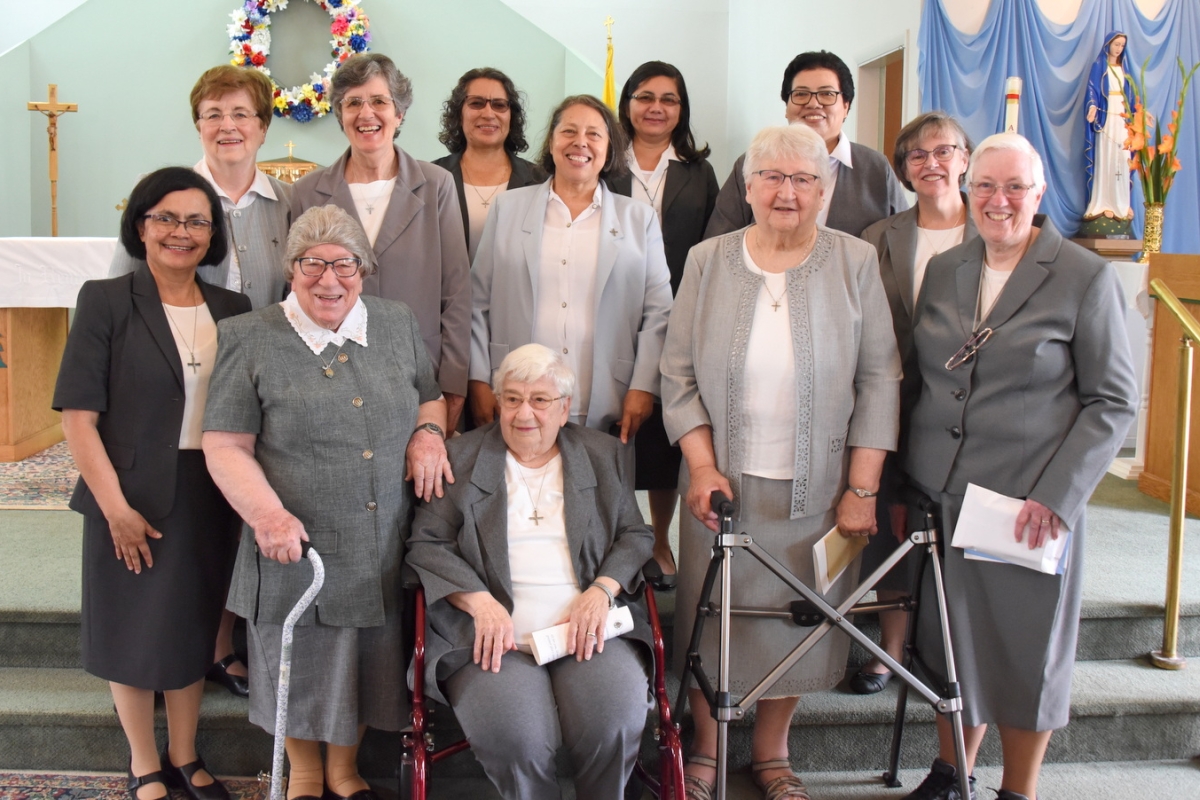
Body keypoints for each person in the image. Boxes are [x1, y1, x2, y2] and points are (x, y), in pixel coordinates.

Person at [661, 124, 901, 800]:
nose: (786, 192)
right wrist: (703, 469)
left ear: (825, 190)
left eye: (803, 179)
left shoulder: (854, 261)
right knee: (714, 618)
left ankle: (771, 753)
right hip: (720, 486)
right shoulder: (708, 260)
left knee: (799, 620)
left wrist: (862, 486)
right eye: (772, 177)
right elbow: (676, 376)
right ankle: (707, 750)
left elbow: (881, 378)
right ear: (748, 186)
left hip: (820, 488)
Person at [901, 132, 1137, 800]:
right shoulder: (948, 268)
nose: (997, 201)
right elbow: (928, 376)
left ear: (1038, 196)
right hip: (944, 491)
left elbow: (1113, 402)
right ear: (967, 191)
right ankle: (953, 773)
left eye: (1014, 188)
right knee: (954, 644)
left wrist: (1058, 497)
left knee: (1025, 649)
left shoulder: (1083, 276)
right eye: (984, 186)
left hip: (1028, 501)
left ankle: (1019, 789)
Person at [201, 205, 450, 800]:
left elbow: (431, 398)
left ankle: (345, 769)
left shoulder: (393, 322)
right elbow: (225, 445)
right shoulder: (249, 336)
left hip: (381, 537)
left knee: (366, 659)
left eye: (345, 264)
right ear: (291, 269)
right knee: (304, 656)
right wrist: (267, 515)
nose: (329, 280)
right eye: (312, 264)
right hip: (295, 539)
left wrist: (428, 434)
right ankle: (305, 773)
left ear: (364, 269)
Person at [54, 167, 251, 800]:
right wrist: (114, 508)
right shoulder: (105, 300)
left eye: (197, 221)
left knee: (192, 624)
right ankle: (144, 763)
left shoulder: (235, 310)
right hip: (129, 493)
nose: (180, 232)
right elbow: (79, 420)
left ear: (212, 235)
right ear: (141, 225)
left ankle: (187, 756)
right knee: (132, 628)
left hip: (210, 494)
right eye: (165, 218)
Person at [108, 65, 293, 697]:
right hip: (175, 393)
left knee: (236, 518)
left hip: (259, 390)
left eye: (241, 114)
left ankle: (222, 644)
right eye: (214, 114)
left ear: (263, 127)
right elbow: (121, 297)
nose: (228, 127)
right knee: (184, 521)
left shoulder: (285, 205)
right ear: (198, 125)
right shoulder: (169, 199)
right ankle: (170, 645)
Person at [407, 343, 655, 800]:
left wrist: (601, 590)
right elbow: (426, 544)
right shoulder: (461, 460)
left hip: (587, 630)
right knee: (517, 740)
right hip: (494, 637)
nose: (525, 413)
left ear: (564, 409)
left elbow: (636, 535)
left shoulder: (602, 455)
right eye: (513, 398)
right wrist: (479, 602)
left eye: (540, 400)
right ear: (499, 403)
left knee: (612, 724)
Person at [468, 94, 673, 445]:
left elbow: (659, 313)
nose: (581, 142)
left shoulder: (639, 219)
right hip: (516, 396)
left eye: (594, 134)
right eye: (569, 131)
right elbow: (476, 302)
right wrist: (477, 380)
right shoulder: (507, 208)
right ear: (551, 142)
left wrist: (643, 386)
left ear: (609, 148)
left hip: (608, 398)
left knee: (597, 496)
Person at [854, 111, 976, 695]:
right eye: (918, 155)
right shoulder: (881, 237)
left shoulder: (997, 231)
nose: (933, 163)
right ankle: (891, 650)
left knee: (958, 530)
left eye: (944, 151)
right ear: (902, 169)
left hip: (971, 412)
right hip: (897, 400)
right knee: (890, 529)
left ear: (966, 159)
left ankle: (954, 647)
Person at [290, 53, 471, 432]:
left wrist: (453, 386)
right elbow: (293, 293)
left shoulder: (437, 184)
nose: (365, 113)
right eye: (353, 103)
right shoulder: (307, 192)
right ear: (340, 116)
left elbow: (456, 292)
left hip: (419, 376)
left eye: (379, 101)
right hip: (328, 378)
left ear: (399, 113)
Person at [609, 60, 720, 588]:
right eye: (646, 96)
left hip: (680, 316)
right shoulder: (605, 163)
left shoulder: (699, 171)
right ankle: (614, 537)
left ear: (682, 109)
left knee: (666, 433)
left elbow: (713, 243)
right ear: (628, 102)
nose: (656, 107)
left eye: (669, 99)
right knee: (615, 428)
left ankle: (658, 539)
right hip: (609, 314)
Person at [704, 51, 907, 241]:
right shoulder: (754, 162)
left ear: (846, 106)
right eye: (801, 94)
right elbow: (720, 242)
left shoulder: (875, 169)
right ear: (787, 106)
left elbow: (899, 243)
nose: (813, 103)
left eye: (827, 94)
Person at [432, 67, 547, 262]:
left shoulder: (541, 181)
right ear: (459, 114)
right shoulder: (432, 178)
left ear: (511, 115)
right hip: (447, 292)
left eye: (499, 105)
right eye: (476, 103)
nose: (488, 113)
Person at [1083, 31, 1135, 222]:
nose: (1119, 49)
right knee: (1106, 157)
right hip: (1106, 117)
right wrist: (1092, 106)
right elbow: (1092, 89)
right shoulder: (1100, 66)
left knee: (1123, 157)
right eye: (1116, 45)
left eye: (1122, 45)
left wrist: (1136, 115)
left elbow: (1131, 95)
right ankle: (1103, 202)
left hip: (1121, 117)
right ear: (1108, 45)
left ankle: (1121, 203)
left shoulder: (1124, 69)